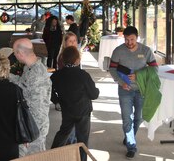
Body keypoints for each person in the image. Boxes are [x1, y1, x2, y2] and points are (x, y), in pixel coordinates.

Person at [109, 26, 158, 160]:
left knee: (138, 117)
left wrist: (138, 75)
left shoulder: (146, 50)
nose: (129, 42)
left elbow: (154, 69)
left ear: (137, 37)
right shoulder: (118, 51)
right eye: (126, 40)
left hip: (141, 90)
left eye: (132, 39)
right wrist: (121, 82)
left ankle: (129, 136)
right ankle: (131, 145)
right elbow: (112, 69)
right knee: (127, 118)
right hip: (125, 90)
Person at [50, 46, 99, 161]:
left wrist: (56, 101)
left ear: (63, 59)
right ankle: (82, 159)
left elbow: (48, 89)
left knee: (64, 132)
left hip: (67, 110)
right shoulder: (83, 75)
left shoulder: (57, 75)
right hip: (83, 111)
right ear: (77, 60)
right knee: (82, 139)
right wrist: (96, 91)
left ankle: (51, 153)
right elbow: (94, 95)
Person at [9, 38, 52, 157]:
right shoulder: (30, 67)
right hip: (31, 125)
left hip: (34, 130)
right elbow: (24, 85)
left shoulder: (36, 74)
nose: (14, 55)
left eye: (15, 53)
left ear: (21, 53)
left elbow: (38, 109)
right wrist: (7, 75)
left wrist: (29, 134)